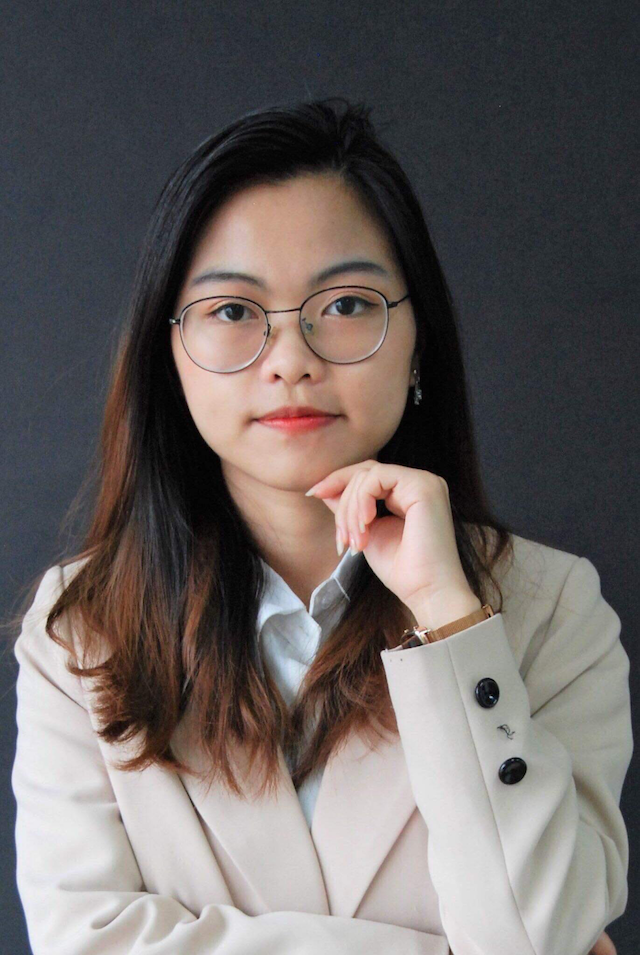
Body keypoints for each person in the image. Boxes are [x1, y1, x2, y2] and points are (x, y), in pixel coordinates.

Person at [8, 97, 629, 955]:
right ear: (170, 353)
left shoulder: (554, 608)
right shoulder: (81, 625)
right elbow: (85, 940)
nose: (291, 359)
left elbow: (538, 934)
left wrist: (450, 620)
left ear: (418, 341)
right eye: (233, 311)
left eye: (344, 304)